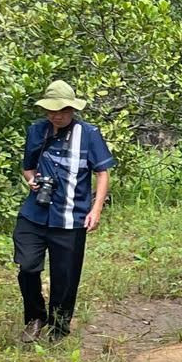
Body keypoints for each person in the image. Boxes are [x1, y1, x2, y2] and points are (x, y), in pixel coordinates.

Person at [14, 80, 115, 344]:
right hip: (34, 214)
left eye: (61, 110)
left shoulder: (89, 133)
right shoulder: (37, 130)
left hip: (72, 216)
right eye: (51, 110)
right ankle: (35, 317)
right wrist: (32, 181)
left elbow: (102, 172)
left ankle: (59, 327)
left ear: (72, 109)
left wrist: (96, 208)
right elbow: (28, 166)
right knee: (27, 266)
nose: (55, 116)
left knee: (65, 277)